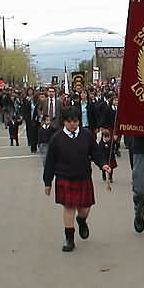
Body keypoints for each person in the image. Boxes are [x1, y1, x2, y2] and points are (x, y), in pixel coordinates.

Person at [43, 106, 111, 252]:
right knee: (68, 207)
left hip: (83, 176)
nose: (72, 124)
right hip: (64, 177)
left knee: (85, 208)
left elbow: (96, 152)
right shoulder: (57, 138)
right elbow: (50, 162)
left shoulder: (86, 135)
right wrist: (47, 182)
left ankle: (81, 220)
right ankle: (69, 239)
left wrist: (103, 164)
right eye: (69, 121)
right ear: (64, 122)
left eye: (75, 121)